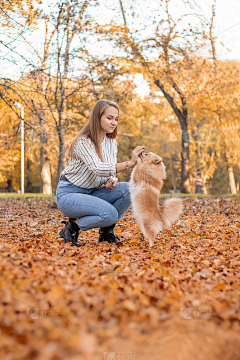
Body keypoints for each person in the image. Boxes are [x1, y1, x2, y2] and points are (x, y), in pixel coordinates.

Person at [56, 99, 146, 247]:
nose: (114, 122)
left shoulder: (110, 141)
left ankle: (106, 233)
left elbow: (108, 167)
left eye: (116, 119)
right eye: (109, 118)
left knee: (130, 189)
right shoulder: (83, 142)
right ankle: (72, 227)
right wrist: (130, 163)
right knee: (110, 214)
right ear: (98, 118)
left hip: (92, 192)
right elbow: (97, 168)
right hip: (69, 195)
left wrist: (111, 180)